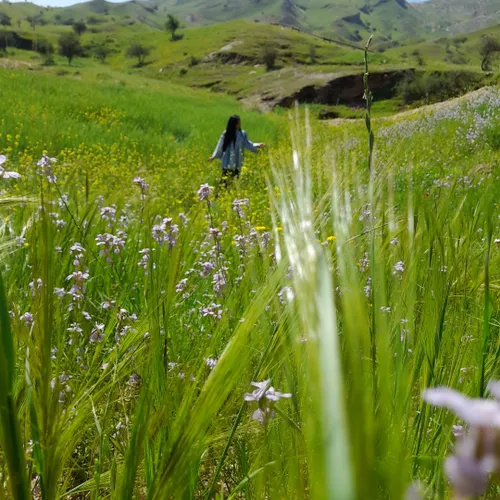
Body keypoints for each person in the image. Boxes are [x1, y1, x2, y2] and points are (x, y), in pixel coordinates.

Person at [208, 115, 265, 185]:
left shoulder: (242, 134)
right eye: (238, 122)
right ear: (234, 124)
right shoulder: (226, 133)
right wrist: (214, 156)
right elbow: (220, 146)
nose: (239, 124)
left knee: (235, 182)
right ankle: (219, 194)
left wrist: (258, 145)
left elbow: (248, 144)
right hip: (227, 162)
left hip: (237, 161)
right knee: (224, 182)